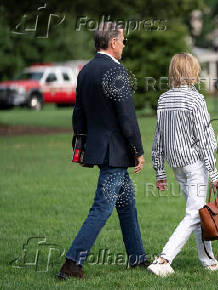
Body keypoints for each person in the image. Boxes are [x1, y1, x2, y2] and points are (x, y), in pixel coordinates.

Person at [58, 22, 148, 279]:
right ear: (112, 42)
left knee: (126, 202)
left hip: (101, 149)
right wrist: (138, 150)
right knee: (102, 208)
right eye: (122, 40)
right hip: (115, 153)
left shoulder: (85, 71)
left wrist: (82, 145)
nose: (124, 44)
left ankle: (137, 257)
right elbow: (127, 118)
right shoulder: (116, 72)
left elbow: (79, 113)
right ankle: (72, 263)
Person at [148, 53, 218, 277]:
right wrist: (214, 171)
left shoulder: (163, 99)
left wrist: (160, 172)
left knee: (199, 212)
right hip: (194, 164)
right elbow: (202, 137)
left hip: (176, 165)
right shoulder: (195, 99)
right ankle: (164, 259)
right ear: (192, 72)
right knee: (195, 214)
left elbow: (158, 138)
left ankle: (208, 260)